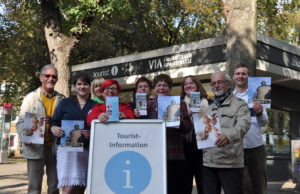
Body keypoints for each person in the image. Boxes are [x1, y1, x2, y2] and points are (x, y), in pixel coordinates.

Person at [16, 64, 64, 194]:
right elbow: (20, 122)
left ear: (57, 79)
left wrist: (54, 121)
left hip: (55, 149)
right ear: (41, 77)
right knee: (34, 188)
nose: (50, 79)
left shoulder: (62, 99)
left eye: (54, 76)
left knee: (54, 187)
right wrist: (25, 136)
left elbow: (66, 121)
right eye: (47, 76)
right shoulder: (30, 98)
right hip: (35, 147)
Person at [202, 71, 250, 194]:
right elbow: (205, 132)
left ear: (228, 84)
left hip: (230, 164)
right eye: (213, 83)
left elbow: (243, 125)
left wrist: (228, 136)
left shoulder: (240, 105)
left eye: (220, 82)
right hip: (209, 163)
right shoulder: (209, 108)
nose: (216, 85)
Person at [50, 73, 96, 194]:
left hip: (86, 150)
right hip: (67, 151)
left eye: (85, 84)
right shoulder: (65, 102)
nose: (82, 87)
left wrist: (91, 133)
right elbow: (54, 121)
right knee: (68, 188)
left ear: (89, 86)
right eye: (79, 84)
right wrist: (54, 128)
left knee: (81, 186)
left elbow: (99, 126)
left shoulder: (95, 105)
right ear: (75, 87)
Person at [148, 74, 193, 194]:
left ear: (170, 88)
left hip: (174, 152)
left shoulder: (179, 103)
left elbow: (188, 128)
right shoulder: (149, 104)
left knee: (174, 187)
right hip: (154, 153)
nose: (161, 88)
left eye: (165, 85)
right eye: (158, 85)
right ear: (154, 88)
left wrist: (180, 119)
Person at [232, 65, 269, 194]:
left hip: (255, 147)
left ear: (248, 77)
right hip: (235, 148)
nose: (240, 76)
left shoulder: (257, 95)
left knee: (258, 186)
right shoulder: (229, 98)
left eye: (244, 73)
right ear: (233, 77)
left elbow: (264, 123)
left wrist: (259, 113)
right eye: (238, 73)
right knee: (237, 186)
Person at [180, 75, 210, 194]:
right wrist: (189, 113)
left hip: (204, 149)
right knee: (185, 184)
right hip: (185, 148)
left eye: (191, 83)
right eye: (186, 84)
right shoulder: (179, 103)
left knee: (204, 184)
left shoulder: (208, 102)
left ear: (197, 85)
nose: (188, 85)